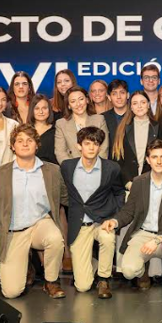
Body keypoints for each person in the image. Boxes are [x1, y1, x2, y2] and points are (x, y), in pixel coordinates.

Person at [107, 139, 162, 294]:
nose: (159, 161)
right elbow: (129, 211)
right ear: (148, 160)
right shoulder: (139, 182)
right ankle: (142, 272)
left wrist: (158, 238)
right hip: (143, 234)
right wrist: (115, 221)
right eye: (154, 157)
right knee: (129, 271)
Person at [0, 125, 67, 300]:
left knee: (55, 238)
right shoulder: (1, 173)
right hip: (14, 231)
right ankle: (27, 265)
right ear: (13, 146)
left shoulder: (52, 171)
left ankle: (51, 281)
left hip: (39, 224)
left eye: (29, 140)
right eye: (20, 141)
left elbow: (65, 197)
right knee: (11, 293)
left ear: (37, 145)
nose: (25, 144)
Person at [60, 126, 125, 299]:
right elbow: (65, 194)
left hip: (101, 221)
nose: (91, 148)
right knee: (82, 286)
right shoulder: (67, 167)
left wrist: (114, 218)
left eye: (95, 144)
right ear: (79, 145)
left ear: (100, 147)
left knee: (108, 237)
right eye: (87, 143)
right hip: (79, 224)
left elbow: (119, 193)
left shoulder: (111, 168)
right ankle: (91, 264)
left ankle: (104, 278)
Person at [112, 90, 162, 187]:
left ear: (148, 105)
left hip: (153, 183)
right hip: (128, 184)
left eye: (143, 102)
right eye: (135, 103)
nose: (139, 106)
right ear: (131, 107)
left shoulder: (159, 128)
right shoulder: (122, 128)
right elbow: (117, 158)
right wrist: (127, 182)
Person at [54, 86, 111, 162]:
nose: (78, 104)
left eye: (81, 99)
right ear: (69, 106)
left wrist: (95, 167)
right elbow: (60, 152)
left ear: (87, 100)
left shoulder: (99, 119)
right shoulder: (61, 124)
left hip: (97, 168)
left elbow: (104, 147)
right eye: (73, 101)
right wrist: (73, 168)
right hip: (72, 169)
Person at [29, 93, 59, 165]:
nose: (41, 112)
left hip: (52, 171)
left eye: (44, 108)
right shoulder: (26, 131)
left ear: (49, 110)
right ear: (32, 110)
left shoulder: (57, 130)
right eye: (37, 108)